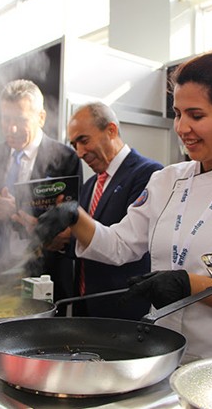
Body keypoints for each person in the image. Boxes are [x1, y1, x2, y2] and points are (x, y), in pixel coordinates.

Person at [34, 40, 212, 362]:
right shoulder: (166, 181)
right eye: (178, 114)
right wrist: (74, 215)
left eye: (196, 115)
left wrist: (192, 285)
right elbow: (120, 245)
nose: (182, 128)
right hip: (164, 357)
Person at [0, 79, 81, 300]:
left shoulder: (64, 158)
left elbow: (72, 221)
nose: (11, 129)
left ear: (41, 117)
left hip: (44, 273)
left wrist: (16, 210)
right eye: (6, 119)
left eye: (21, 120)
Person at [61, 101, 163, 319]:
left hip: (124, 311)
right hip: (85, 307)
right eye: (74, 145)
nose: (79, 152)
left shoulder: (149, 175)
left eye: (84, 140)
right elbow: (86, 241)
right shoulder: (90, 185)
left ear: (111, 130)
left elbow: (124, 244)